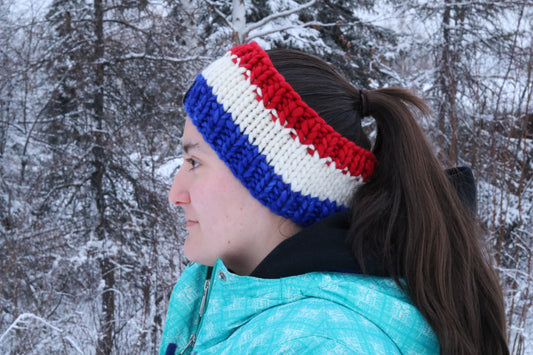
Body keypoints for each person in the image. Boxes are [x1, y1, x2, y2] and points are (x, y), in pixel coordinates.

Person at [161, 41, 508, 354]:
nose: (175, 194)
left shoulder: (319, 344)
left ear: (275, 181)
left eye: (195, 162)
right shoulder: (220, 293)